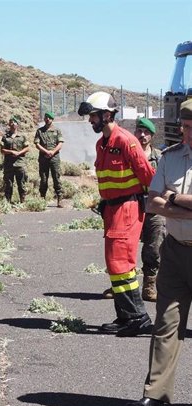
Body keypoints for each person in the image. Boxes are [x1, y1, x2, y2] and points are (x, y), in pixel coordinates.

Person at [124, 99, 192, 406]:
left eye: (191, 126)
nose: (185, 131)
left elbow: (164, 199)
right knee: (165, 324)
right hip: (176, 249)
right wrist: (182, 207)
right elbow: (152, 203)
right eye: (184, 125)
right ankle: (155, 395)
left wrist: (174, 198)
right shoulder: (170, 157)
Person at [78, 91, 155, 337]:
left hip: (127, 208)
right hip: (112, 209)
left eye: (93, 116)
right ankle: (125, 316)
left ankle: (138, 317)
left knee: (121, 264)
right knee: (115, 265)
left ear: (107, 115)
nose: (91, 121)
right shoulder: (102, 144)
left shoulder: (126, 141)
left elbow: (148, 177)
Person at [135, 117, 165, 302]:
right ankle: (121, 288)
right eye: (139, 131)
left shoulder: (160, 157)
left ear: (152, 136)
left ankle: (149, 286)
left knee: (153, 249)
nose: (142, 135)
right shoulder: (127, 155)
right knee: (125, 249)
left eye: (146, 133)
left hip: (153, 210)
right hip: (132, 207)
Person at [34, 111, 64, 207]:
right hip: (43, 158)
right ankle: (42, 199)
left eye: (49, 118)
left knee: (56, 178)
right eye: (46, 117)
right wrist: (46, 152)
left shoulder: (57, 130)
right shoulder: (40, 131)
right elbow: (37, 144)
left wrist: (52, 152)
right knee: (43, 179)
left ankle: (59, 198)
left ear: (52, 119)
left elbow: (60, 143)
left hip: (54, 158)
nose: (47, 119)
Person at [0, 116, 29, 203]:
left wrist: (19, 153)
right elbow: (2, 150)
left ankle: (22, 201)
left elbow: (27, 148)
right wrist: (11, 152)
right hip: (8, 164)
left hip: (20, 163)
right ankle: (8, 202)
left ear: (17, 124)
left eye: (14, 122)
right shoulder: (5, 137)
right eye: (11, 122)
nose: (12, 124)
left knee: (22, 184)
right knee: (8, 184)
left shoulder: (22, 136)